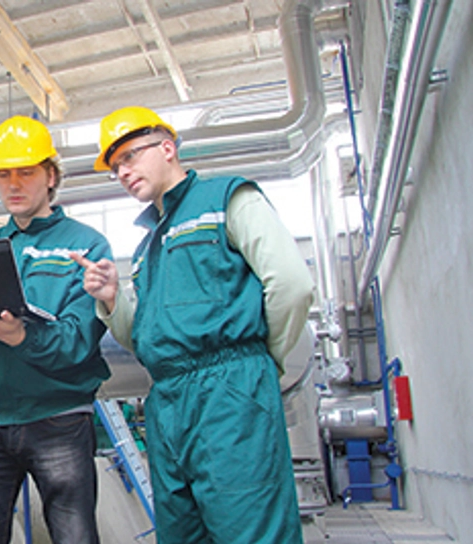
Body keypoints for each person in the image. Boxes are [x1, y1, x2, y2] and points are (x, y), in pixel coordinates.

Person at [71, 106, 314, 543]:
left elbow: (292, 286)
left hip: (232, 393)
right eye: (115, 167)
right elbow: (142, 339)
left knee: (250, 526)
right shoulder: (148, 246)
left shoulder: (228, 199)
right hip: (168, 401)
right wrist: (111, 299)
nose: (123, 172)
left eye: (129, 156)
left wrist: (262, 363)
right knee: (182, 532)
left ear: (167, 147)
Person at [0, 115, 112, 544]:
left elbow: (77, 343)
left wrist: (19, 336)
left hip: (60, 420)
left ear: (51, 176)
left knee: (74, 537)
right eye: (3, 174)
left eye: (26, 172)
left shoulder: (85, 247)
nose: (13, 184)